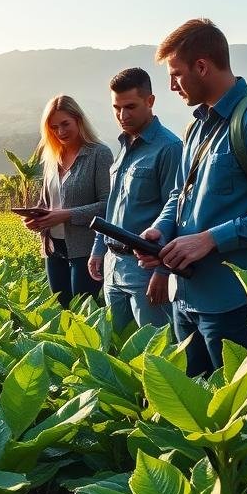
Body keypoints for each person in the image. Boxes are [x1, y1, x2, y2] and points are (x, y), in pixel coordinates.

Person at [137, 19, 247, 376]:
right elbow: (178, 194)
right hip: (184, 297)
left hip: (234, 302)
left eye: (176, 75)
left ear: (202, 66)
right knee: (197, 405)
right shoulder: (196, 126)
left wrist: (212, 238)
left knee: (242, 416)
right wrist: (160, 230)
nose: (171, 86)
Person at [88, 68, 181, 331]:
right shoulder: (125, 144)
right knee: (117, 346)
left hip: (145, 268)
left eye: (130, 106)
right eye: (116, 108)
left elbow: (176, 211)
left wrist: (163, 272)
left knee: (153, 353)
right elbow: (113, 203)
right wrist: (99, 249)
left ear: (150, 102)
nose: (122, 115)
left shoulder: (169, 148)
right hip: (112, 264)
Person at [24, 95, 112, 306]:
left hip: (86, 249)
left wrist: (65, 215)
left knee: (83, 315)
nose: (60, 132)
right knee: (63, 311)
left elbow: (108, 205)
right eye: (54, 127)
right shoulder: (51, 157)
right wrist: (36, 217)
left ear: (79, 120)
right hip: (53, 248)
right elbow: (46, 202)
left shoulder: (99, 154)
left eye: (65, 124)